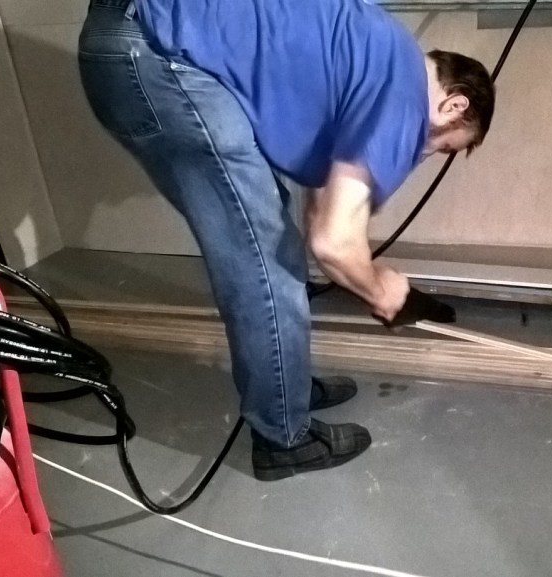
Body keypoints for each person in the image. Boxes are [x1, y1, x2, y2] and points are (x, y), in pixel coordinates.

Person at [77, 0, 495, 481]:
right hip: (152, 50)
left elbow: (322, 207)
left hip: (135, 35)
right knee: (264, 258)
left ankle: (284, 386)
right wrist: (383, 291)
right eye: (442, 144)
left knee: (271, 237)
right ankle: (283, 439)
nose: (426, 151)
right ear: (454, 104)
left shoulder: (383, 54)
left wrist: (342, 245)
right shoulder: (404, 97)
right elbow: (333, 243)